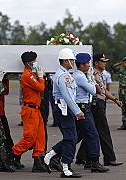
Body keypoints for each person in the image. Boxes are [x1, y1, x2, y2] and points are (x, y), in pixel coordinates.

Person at [41, 48, 85, 178]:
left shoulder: (65, 74)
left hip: (66, 110)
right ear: (65, 61)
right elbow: (67, 96)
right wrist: (77, 111)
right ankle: (66, 168)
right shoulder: (63, 76)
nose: (73, 62)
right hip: (64, 110)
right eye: (71, 60)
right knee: (71, 138)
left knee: (70, 137)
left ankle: (49, 156)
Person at [76, 53, 123, 167]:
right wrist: (114, 99)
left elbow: (103, 90)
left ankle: (83, 158)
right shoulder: (92, 74)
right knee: (103, 131)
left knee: (89, 132)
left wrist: (115, 99)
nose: (105, 63)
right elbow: (99, 90)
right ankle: (109, 158)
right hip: (96, 104)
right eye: (103, 61)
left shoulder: (100, 74)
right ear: (96, 63)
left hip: (99, 103)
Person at [72, 53, 109, 173]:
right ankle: (94, 162)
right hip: (83, 108)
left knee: (76, 136)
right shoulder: (80, 76)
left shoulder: (82, 74)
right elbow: (94, 91)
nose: (89, 65)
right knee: (93, 135)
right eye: (87, 63)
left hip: (84, 107)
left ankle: (54, 155)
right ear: (81, 65)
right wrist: (93, 82)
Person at [11, 51, 47, 172]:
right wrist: (41, 77)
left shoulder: (32, 74)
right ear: (28, 63)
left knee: (40, 138)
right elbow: (41, 88)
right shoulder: (27, 75)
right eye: (34, 61)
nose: (36, 63)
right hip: (30, 110)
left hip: (36, 110)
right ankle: (12, 155)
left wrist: (39, 76)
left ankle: (37, 161)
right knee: (30, 138)